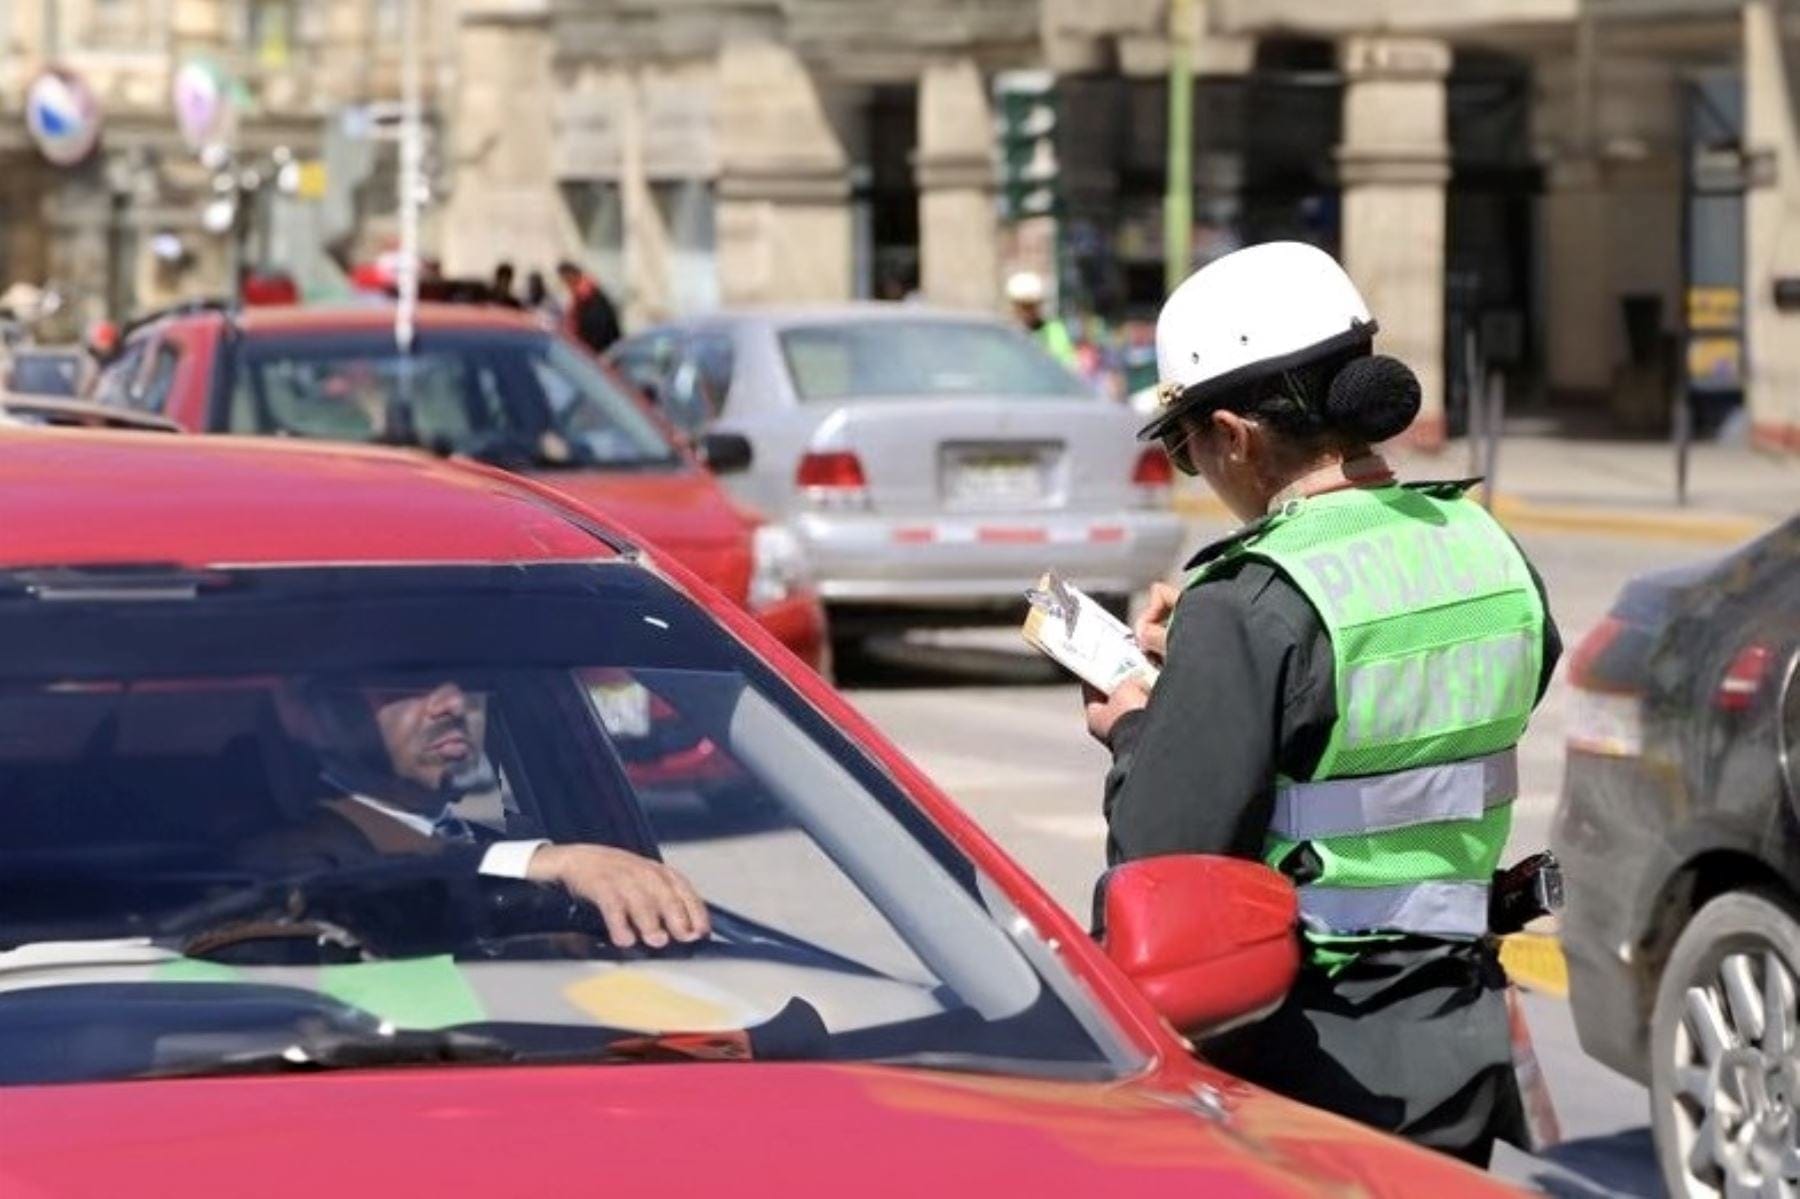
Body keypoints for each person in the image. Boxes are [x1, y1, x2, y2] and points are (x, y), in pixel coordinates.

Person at [1082, 241, 1561, 1166]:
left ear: (1234, 434)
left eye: (1186, 448)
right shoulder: (1489, 553)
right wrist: (1230, 660)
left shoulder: (1248, 604)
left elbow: (1163, 855)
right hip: (1455, 1034)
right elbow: (1401, 696)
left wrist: (1140, 721)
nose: (1198, 470)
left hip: (1299, 1050)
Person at [247, 673, 709, 950]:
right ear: (305, 713)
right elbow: (361, 893)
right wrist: (548, 862)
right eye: (409, 678)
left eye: (465, 675)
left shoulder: (471, 837)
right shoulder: (289, 855)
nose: (452, 701)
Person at [1005, 271, 1076, 368]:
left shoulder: (1054, 331)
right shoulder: (1008, 334)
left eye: (1031, 306)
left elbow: (1066, 364)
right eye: (1023, 306)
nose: (1028, 312)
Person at [557, 260, 622, 355]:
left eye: (565, 278)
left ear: (572, 274)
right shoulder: (580, 295)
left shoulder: (588, 295)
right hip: (590, 350)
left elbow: (597, 326)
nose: (565, 283)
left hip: (598, 350)